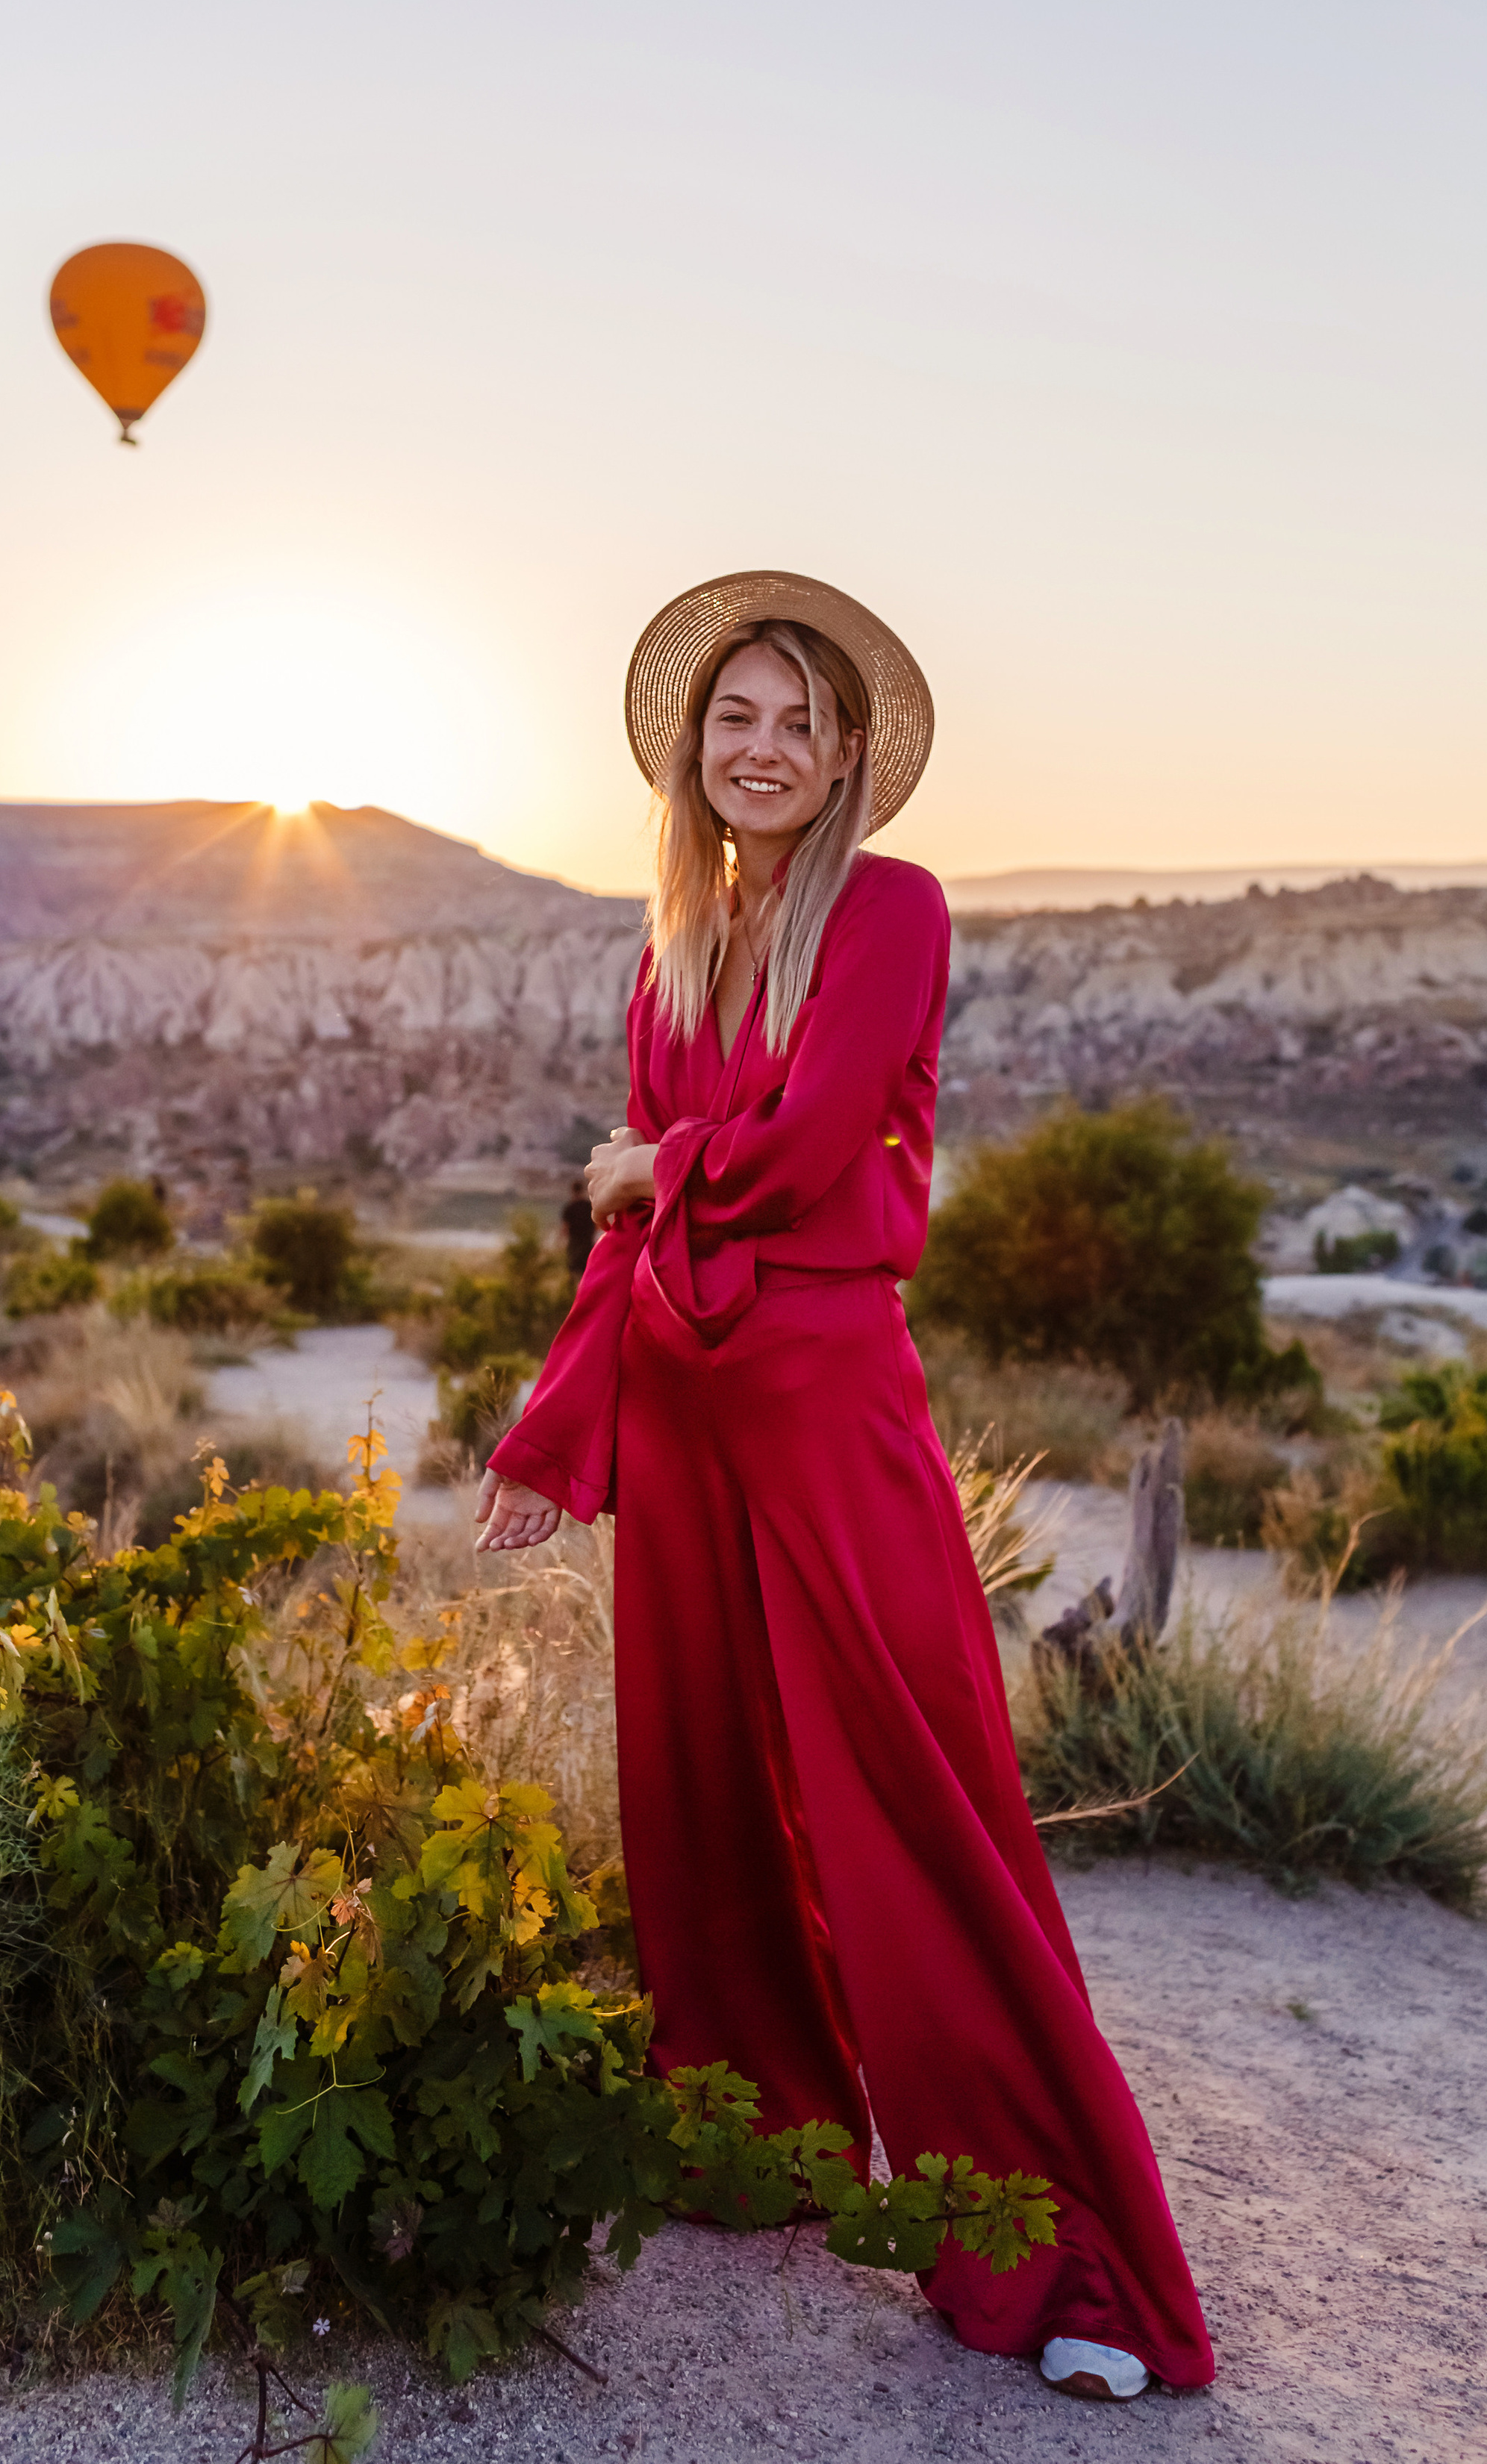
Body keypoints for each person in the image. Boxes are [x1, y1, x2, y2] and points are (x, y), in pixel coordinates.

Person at [477, 573, 1214, 2406]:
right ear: (686, 746)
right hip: (685, 1399)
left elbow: (802, 1152)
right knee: (704, 1779)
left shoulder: (889, 908)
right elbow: (622, 1244)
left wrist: (650, 1163)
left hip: (825, 1394)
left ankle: (1068, 2263)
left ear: (851, 754)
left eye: (798, 720)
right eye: (734, 716)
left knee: (910, 1800)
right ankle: (758, 2144)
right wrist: (552, 1435)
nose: (762, 748)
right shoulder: (670, 943)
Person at [559, 1177, 596, 1283]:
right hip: (587, 1240)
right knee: (587, 1267)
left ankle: (575, 1292)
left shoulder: (569, 1207)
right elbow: (596, 1223)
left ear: (573, 1191)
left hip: (575, 1241)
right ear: (582, 1190)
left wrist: (559, 1242)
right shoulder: (589, 1206)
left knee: (574, 1268)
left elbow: (565, 1228)